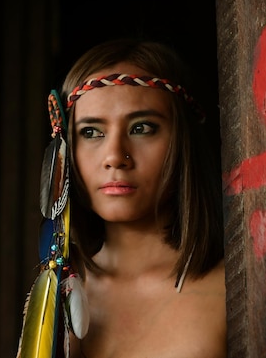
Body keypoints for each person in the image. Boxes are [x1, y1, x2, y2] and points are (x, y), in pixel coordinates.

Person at [58, 38, 226, 357]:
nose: (115, 156)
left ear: (182, 140)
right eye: (91, 132)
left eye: (142, 127)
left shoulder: (234, 286)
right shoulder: (55, 295)